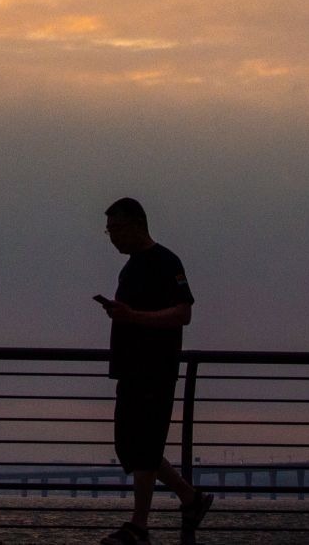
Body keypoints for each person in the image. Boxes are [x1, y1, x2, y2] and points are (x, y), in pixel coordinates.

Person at [96, 198, 213, 545]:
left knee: (144, 446)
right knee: (130, 447)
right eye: (109, 231)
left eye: (115, 229)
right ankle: (191, 499)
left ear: (136, 225)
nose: (112, 238)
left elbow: (183, 313)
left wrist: (133, 317)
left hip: (155, 368)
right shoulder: (130, 268)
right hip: (129, 367)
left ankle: (139, 525)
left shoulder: (166, 262)